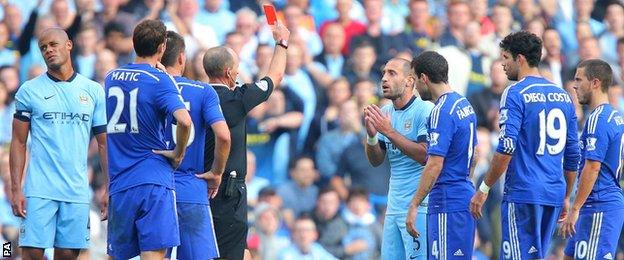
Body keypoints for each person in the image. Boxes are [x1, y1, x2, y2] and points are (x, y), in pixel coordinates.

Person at [469, 31, 580, 259]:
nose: (503, 65)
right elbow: (572, 155)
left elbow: (506, 147)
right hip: (553, 193)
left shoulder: (515, 92)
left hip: (523, 192)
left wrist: (484, 188)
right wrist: (566, 196)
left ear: (519, 58)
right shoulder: (563, 96)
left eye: (505, 59)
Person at [9, 28, 107, 260]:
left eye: (53, 44)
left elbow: (104, 144)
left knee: (67, 256)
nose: (48, 50)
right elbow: (19, 142)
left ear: (69, 45)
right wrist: (16, 188)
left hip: (76, 191)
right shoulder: (29, 91)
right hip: (38, 190)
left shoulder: (93, 91)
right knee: (31, 255)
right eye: (43, 48)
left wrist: (109, 186)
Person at [104, 19, 192, 260]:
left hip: (120, 181)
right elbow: (185, 121)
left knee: (117, 256)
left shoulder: (111, 76)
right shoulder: (159, 81)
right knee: (153, 255)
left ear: (134, 44)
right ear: (162, 48)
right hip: (153, 179)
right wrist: (178, 152)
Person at [204, 22, 290, 260]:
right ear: (229, 72)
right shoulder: (236, 99)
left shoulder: (193, 96)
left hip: (196, 187)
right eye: (237, 68)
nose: (239, 73)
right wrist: (282, 43)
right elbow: (275, 76)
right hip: (227, 191)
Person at [160, 31, 231, 260]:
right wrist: (216, 172)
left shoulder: (143, 88)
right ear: (182, 58)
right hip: (190, 187)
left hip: (151, 186)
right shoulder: (202, 91)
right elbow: (223, 135)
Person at [405, 51, 478, 258]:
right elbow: (476, 155)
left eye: (415, 80)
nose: (416, 88)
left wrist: (414, 204)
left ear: (424, 78)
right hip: (464, 195)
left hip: (447, 202)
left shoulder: (441, 111)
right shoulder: (464, 104)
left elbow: (435, 163)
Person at [364, 57, 434, 260]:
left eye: (392, 73)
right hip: (393, 207)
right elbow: (376, 161)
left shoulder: (425, 110)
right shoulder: (385, 112)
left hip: (419, 208)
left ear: (409, 81)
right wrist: (371, 136)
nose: (384, 79)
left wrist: (389, 131)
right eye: (383, 73)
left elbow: (425, 155)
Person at [561, 59, 624, 260]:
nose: (575, 85)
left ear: (595, 82)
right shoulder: (614, 116)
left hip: (599, 205)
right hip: (597, 203)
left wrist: (575, 208)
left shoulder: (599, 119)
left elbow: (593, 167)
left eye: (579, 79)